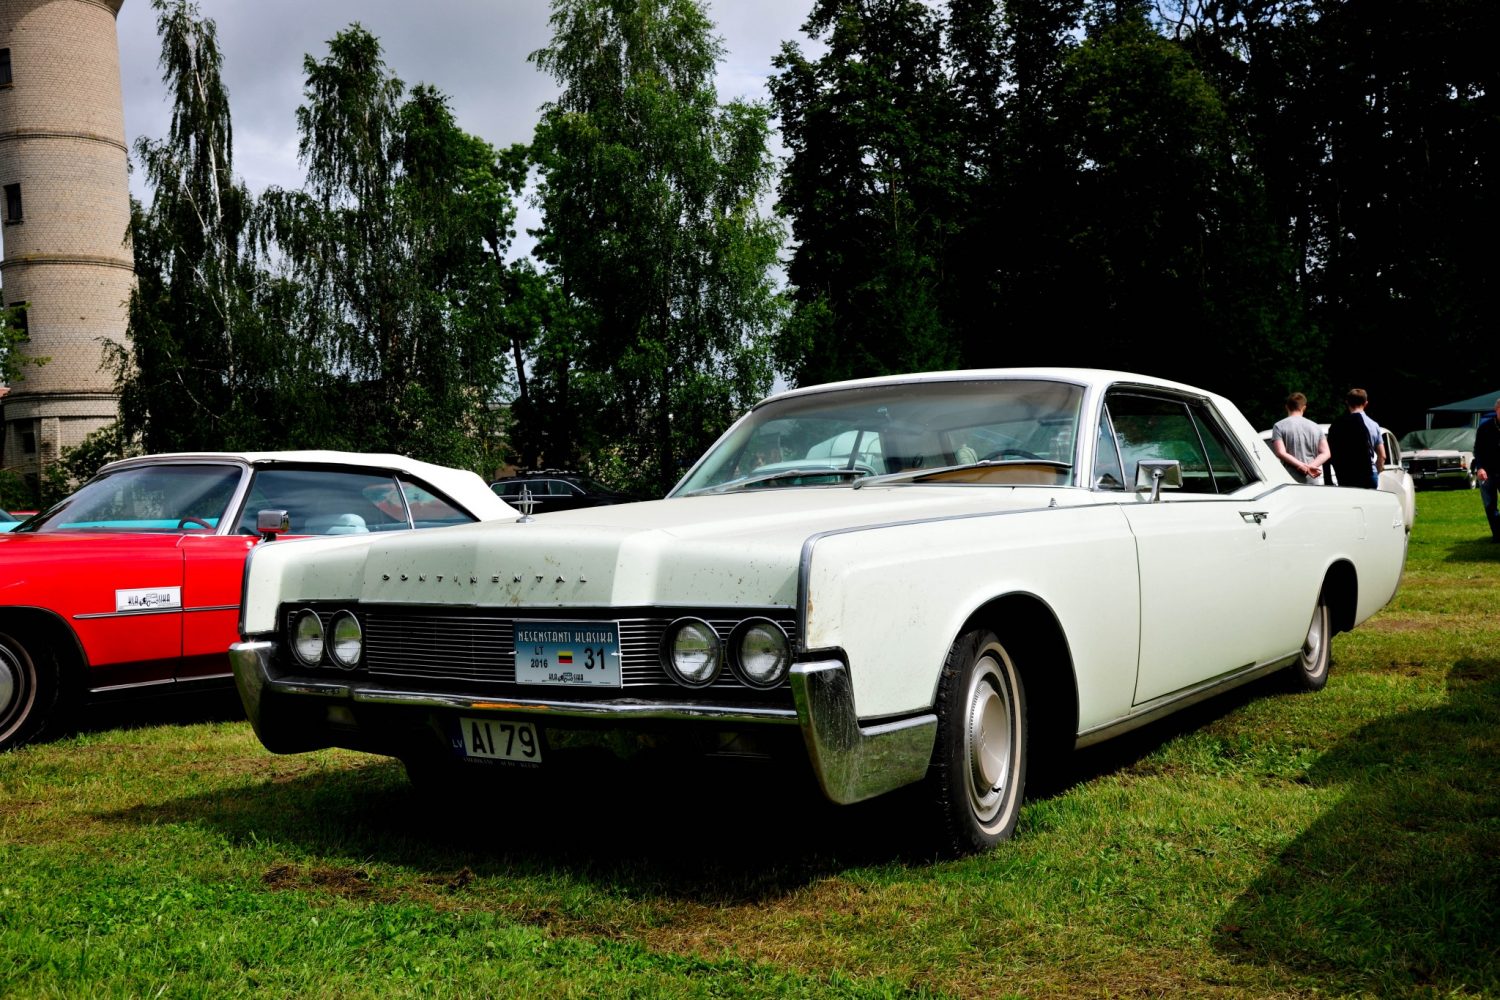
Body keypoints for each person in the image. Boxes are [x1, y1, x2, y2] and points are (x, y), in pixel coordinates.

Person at [1325, 387, 1385, 489]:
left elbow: (1330, 452)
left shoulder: (1338, 425)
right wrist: (1376, 472)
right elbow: (1382, 456)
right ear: (1366, 403)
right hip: (1369, 474)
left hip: (1346, 475)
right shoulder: (1373, 425)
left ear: (1347, 402)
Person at [1270, 392, 1330, 483]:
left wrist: (1301, 466)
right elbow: (1326, 453)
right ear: (1304, 408)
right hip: (1312, 477)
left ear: (1287, 407)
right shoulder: (1316, 426)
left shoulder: (1279, 426)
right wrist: (1310, 467)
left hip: (1290, 478)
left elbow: (1280, 452)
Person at [1474, 398, 1500, 542]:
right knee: (1490, 505)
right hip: (1487, 472)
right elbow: (1477, 449)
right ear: (1496, 410)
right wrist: (1480, 468)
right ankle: (1497, 534)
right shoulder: (1485, 428)